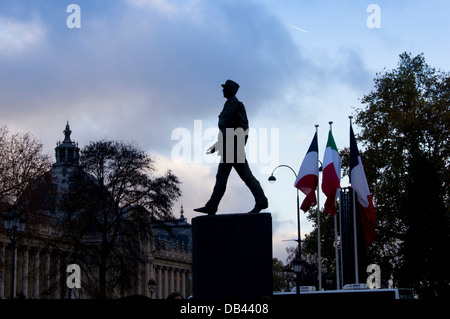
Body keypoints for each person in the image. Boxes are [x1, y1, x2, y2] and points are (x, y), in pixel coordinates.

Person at [194, 80, 268, 215]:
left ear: (231, 90)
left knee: (226, 177)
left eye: (225, 88)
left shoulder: (237, 105)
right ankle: (261, 200)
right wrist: (216, 146)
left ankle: (212, 206)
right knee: (244, 177)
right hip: (227, 148)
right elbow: (225, 131)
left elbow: (243, 128)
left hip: (234, 149)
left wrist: (237, 147)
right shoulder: (227, 105)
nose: (222, 90)